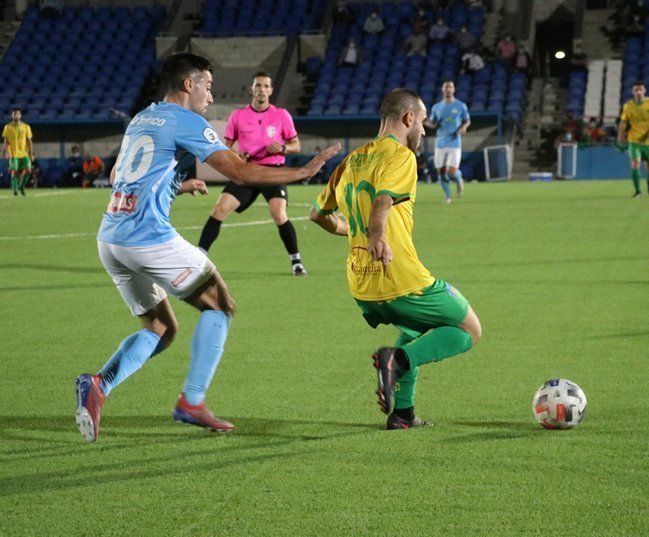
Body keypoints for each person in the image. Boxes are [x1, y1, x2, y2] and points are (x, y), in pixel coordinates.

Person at [74, 53, 339, 443]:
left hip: (110, 240)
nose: (211, 97)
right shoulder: (186, 120)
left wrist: (177, 185)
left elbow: (119, 175)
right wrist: (303, 171)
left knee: (162, 328)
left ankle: (98, 384)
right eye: (208, 86)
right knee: (221, 304)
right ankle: (192, 401)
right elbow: (239, 171)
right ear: (188, 85)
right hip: (147, 239)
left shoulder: (141, 118)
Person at [308, 88, 482, 430]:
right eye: (424, 122)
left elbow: (317, 215)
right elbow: (384, 200)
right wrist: (375, 235)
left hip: (361, 284)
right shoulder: (400, 156)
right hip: (399, 277)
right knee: (469, 329)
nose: (425, 130)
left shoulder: (350, 162)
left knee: (414, 329)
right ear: (408, 118)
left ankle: (403, 414)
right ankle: (396, 360)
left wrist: (354, 233)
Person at [197, 71, 306, 275]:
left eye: (266, 86)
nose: (261, 90)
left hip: (272, 171)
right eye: (258, 86)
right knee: (218, 210)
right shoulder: (238, 116)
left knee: (278, 213)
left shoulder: (282, 115)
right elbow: (226, 145)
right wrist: (237, 155)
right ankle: (198, 257)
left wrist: (282, 149)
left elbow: (296, 145)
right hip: (246, 171)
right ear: (251, 90)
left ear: (271, 91)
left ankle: (296, 261)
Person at [617, 80, 649, 198]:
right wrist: (620, 136)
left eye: (640, 89)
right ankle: (638, 191)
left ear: (644, 91)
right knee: (635, 164)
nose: (638, 92)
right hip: (634, 140)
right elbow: (623, 122)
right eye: (636, 90)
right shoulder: (628, 106)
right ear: (632, 91)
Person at [426, 81, 470, 203]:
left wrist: (464, 127)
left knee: (451, 172)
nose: (448, 89)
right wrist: (425, 122)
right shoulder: (437, 107)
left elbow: (467, 120)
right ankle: (448, 196)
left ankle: (459, 179)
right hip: (440, 142)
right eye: (446, 87)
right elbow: (433, 124)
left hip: (454, 142)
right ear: (443, 90)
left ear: (454, 89)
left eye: (450, 87)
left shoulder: (461, 105)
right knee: (441, 172)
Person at [2, 109, 33, 196]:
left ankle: (22, 186)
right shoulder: (7, 127)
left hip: (24, 153)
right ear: (12, 116)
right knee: (14, 171)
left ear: (20, 116)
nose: (16, 116)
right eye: (14, 115)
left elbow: (29, 141)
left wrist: (31, 153)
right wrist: (5, 152)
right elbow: (6, 140)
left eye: (17, 114)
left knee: (28, 170)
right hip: (13, 154)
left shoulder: (26, 127)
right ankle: (15, 190)